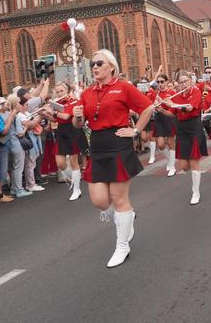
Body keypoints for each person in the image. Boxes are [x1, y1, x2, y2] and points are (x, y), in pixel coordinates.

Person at [72, 49, 154, 268]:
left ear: (111, 66)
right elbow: (79, 125)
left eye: (99, 63)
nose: (95, 67)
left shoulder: (123, 87)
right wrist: (78, 117)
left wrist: (135, 130)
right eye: (92, 64)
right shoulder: (88, 93)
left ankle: (122, 245)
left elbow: (148, 107)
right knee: (99, 200)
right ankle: (125, 217)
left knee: (119, 199)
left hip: (119, 144)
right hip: (97, 146)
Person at [167, 71, 208, 204]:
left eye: (185, 81)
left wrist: (172, 104)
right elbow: (172, 114)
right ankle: (195, 175)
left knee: (194, 161)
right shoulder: (177, 96)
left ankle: (196, 192)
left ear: (190, 80)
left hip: (194, 127)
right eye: (181, 82)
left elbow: (190, 108)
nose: (183, 84)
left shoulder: (196, 92)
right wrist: (162, 108)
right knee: (184, 166)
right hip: (182, 129)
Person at [43, 82, 83, 201]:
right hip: (61, 132)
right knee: (60, 163)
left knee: (73, 161)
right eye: (58, 91)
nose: (59, 93)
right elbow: (55, 119)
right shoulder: (58, 103)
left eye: (61, 91)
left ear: (67, 91)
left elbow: (65, 116)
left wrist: (53, 111)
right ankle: (76, 179)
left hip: (72, 130)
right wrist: (45, 114)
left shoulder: (74, 101)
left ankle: (76, 189)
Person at [149, 74, 177, 176]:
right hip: (159, 118)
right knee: (160, 145)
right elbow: (150, 104)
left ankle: (172, 167)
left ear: (166, 81)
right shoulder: (155, 93)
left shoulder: (171, 93)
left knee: (170, 143)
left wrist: (163, 105)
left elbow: (173, 107)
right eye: (158, 82)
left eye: (162, 81)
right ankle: (170, 160)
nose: (160, 84)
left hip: (168, 118)